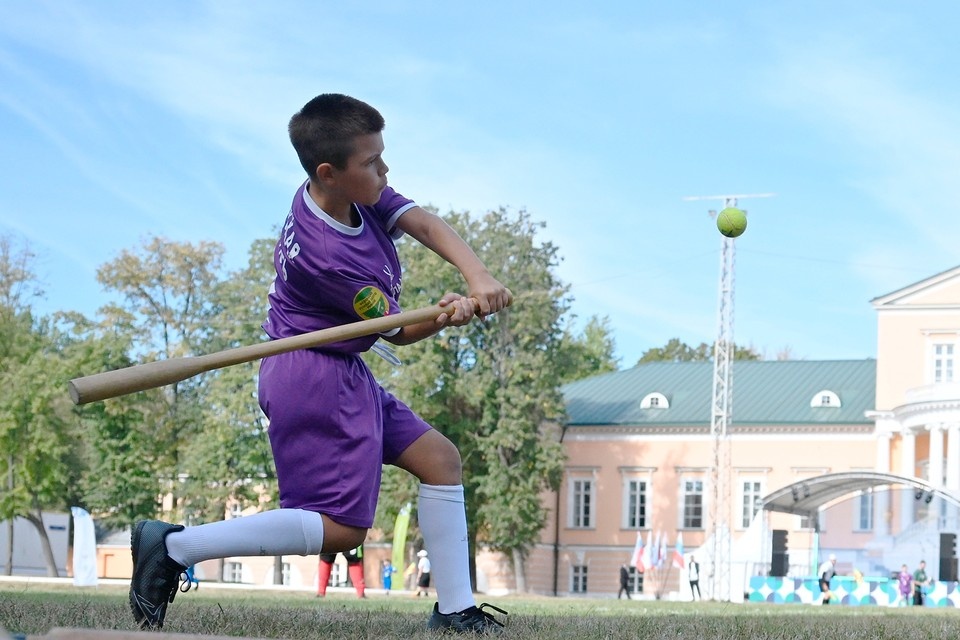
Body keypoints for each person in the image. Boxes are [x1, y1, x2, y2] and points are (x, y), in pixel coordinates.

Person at [127, 93, 512, 634]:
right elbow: (400, 332)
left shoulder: (343, 192)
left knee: (439, 460)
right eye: (372, 162)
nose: (385, 170)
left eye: (382, 156)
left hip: (340, 365)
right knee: (342, 529)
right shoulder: (327, 256)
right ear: (328, 172)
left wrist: (477, 276)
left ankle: (455, 611)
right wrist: (447, 316)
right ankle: (174, 547)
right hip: (309, 375)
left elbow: (423, 223)